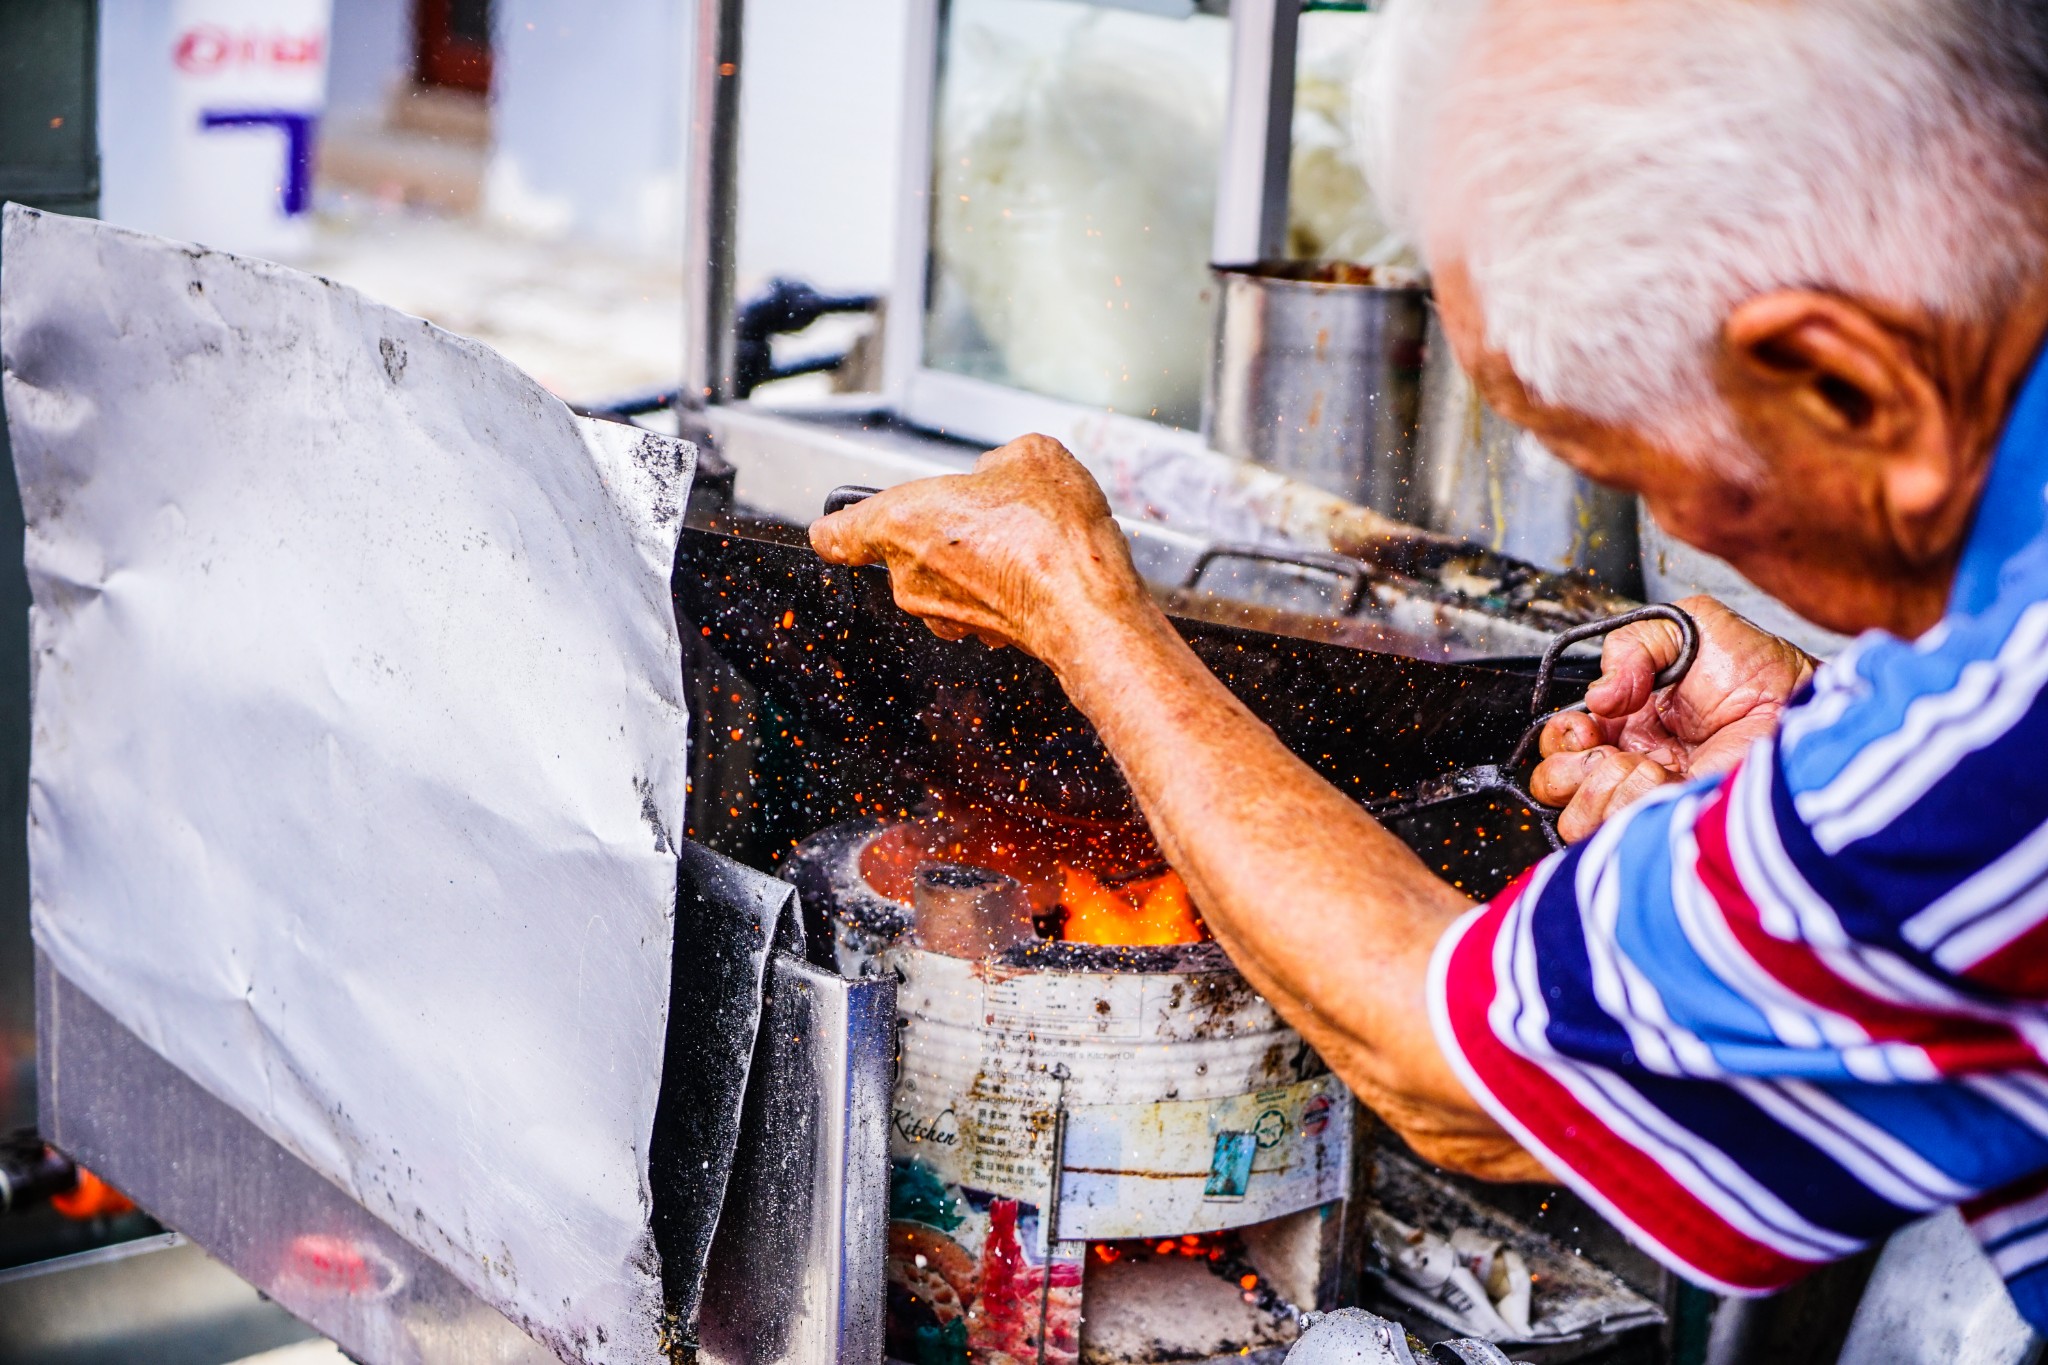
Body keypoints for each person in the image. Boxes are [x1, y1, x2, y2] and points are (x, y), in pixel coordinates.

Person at [812, 0, 2048, 1330]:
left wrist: (1085, 611)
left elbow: (1449, 1057)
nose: (1678, 533)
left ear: (1849, 388)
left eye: (1644, 476)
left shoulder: (1999, 742)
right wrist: (1832, 732)